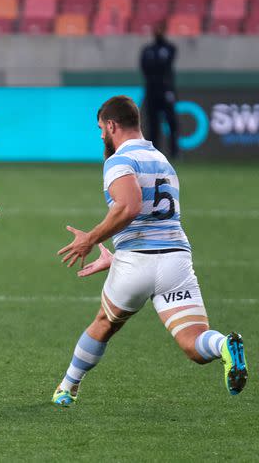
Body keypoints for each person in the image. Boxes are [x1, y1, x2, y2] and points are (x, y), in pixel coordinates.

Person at [52, 95, 247, 407]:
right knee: (194, 344)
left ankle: (66, 388)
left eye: (102, 128)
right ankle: (225, 345)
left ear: (112, 126)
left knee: (104, 323)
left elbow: (129, 207)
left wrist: (90, 239)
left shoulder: (119, 161)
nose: (102, 135)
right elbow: (154, 219)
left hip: (137, 263)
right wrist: (114, 256)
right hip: (175, 261)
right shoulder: (162, 160)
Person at [140, 23, 179, 159]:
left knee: (172, 122)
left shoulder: (170, 48)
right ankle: (153, 152)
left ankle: (175, 152)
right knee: (152, 124)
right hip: (152, 92)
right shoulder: (147, 50)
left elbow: (165, 66)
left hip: (166, 90)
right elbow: (145, 68)